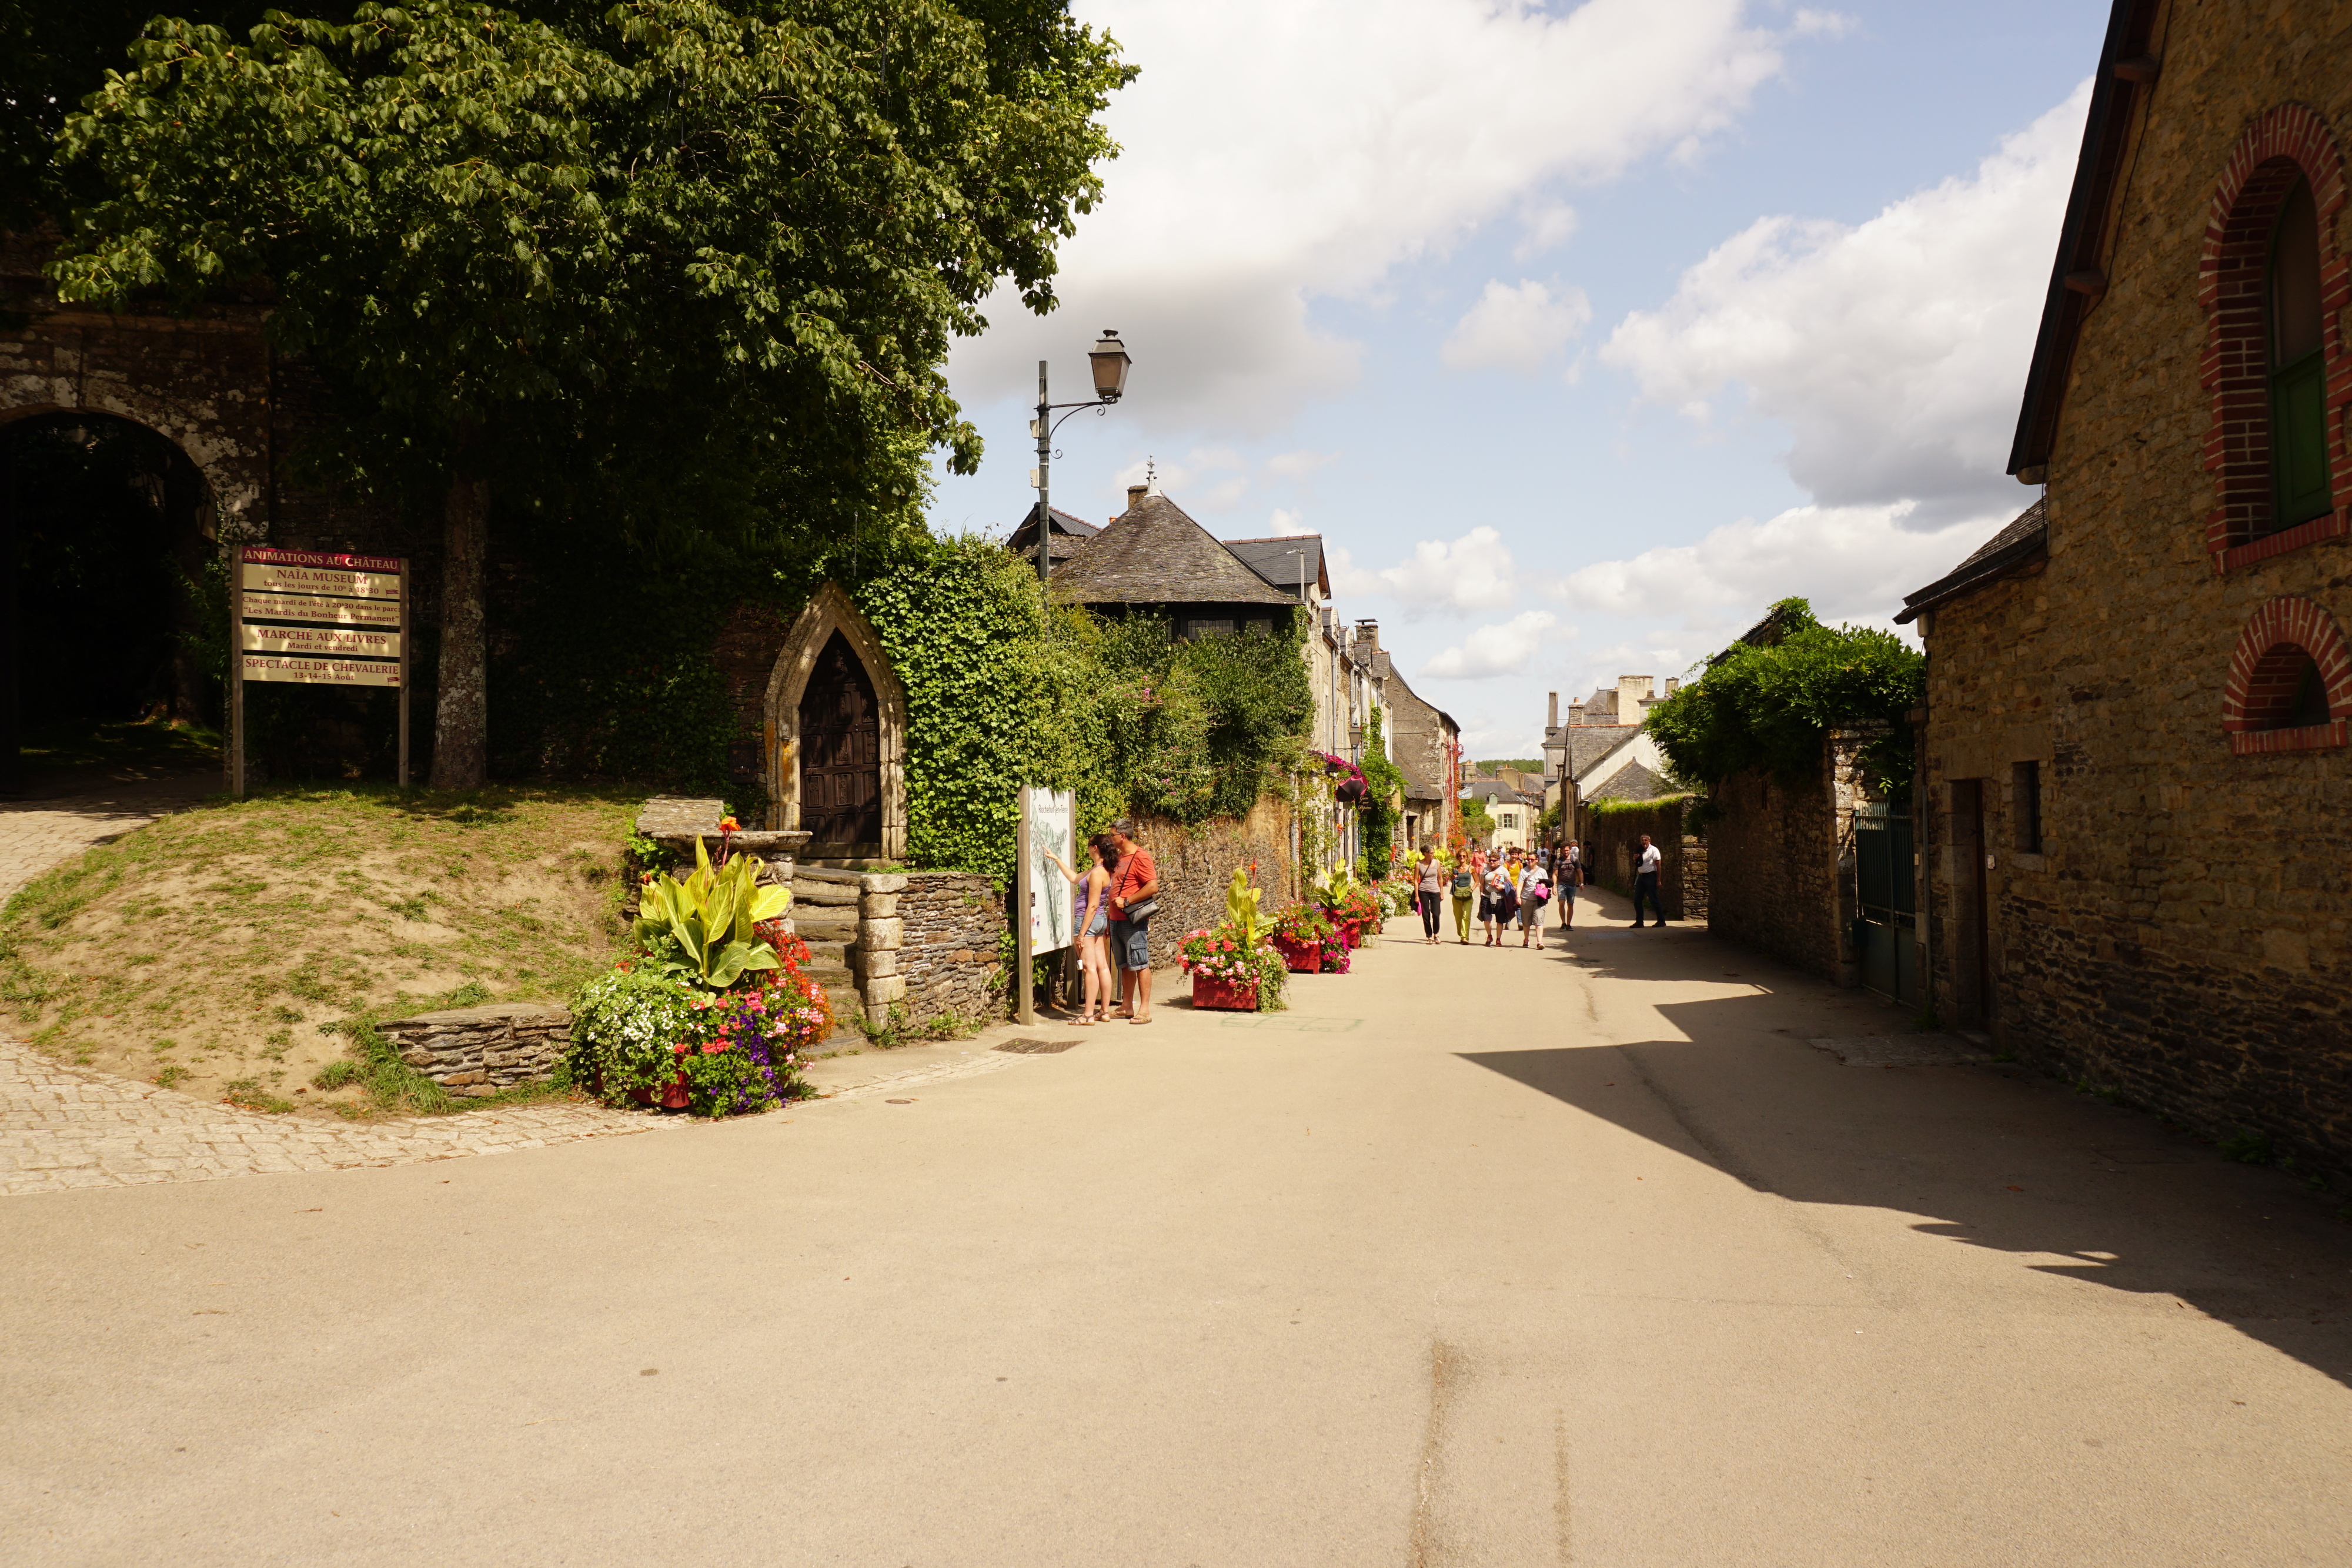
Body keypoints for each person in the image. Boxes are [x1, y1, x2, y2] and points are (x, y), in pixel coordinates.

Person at [1043, 834, 1115, 1024]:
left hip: (1087, 920)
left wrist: (1081, 934)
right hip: (1099, 921)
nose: (1087, 847)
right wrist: (1057, 859)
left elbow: (1091, 906)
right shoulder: (1102, 870)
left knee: (1089, 969)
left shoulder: (1098, 873)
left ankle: (1088, 1015)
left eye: (1089, 844)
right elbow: (1075, 878)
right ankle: (1105, 1012)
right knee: (1102, 967)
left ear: (1095, 848)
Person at [1105, 819, 1160, 1024]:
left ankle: (1144, 1010)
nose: (1110, 838)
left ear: (1123, 836)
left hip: (1132, 920)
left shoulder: (1141, 857)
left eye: (1112, 835)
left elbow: (1152, 887)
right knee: (1125, 965)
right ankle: (1126, 1006)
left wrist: (1127, 900)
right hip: (1116, 920)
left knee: (1140, 962)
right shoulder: (1120, 857)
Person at [1631, 833, 1665, 928]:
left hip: (1651, 876)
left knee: (1653, 899)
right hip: (1641, 877)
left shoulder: (1654, 850)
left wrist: (1658, 880)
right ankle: (1639, 922)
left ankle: (1661, 921)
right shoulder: (1640, 850)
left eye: (1646, 840)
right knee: (1637, 900)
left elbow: (1658, 865)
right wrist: (1634, 859)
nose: (1644, 842)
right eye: (1642, 840)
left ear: (1649, 841)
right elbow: (1639, 863)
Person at [1414, 847, 1445, 945]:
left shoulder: (1437, 863)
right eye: (1431, 853)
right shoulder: (1419, 864)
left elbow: (1440, 878)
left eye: (1433, 852)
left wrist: (1442, 892)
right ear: (1425, 853)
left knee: (1436, 914)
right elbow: (1415, 880)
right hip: (1423, 891)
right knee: (1426, 915)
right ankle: (1429, 936)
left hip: (1435, 891)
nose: (1433, 854)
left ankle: (1436, 934)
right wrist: (1417, 895)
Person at [1518, 855, 1547, 948]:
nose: (1529, 861)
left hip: (1539, 900)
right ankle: (1526, 940)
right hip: (1526, 899)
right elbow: (1520, 885)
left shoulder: (1542, 871)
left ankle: (1540, 942)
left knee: (1539, 920)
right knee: (1526, 922)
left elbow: (1548, 883)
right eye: (1528, 859)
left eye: (1532, 859)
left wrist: (1544, 885)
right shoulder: (1523, 871)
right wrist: (1518, 897)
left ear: (1537, 860)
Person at [1556, 840, 1583, 931]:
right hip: (1561, 884)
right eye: (1564, 850)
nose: (1566, 852)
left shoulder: (1574, 860)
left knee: (1570, 904)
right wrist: (1553, 887)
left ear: (1570, 850)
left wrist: (1582, 883)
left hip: (1572, 885)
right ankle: (1563, 923)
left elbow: (1580, 871)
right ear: (1561, 851)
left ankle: (1569, 924)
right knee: (1561, 903)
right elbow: (1554, 874)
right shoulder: (1558, 861)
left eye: (1567, 850)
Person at [1449, 853, 1476, 944]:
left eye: (1464, 856)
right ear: (1457, 857)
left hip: (1468, 895)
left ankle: (1465, 937)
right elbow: (1451, 880)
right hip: (1457, 895)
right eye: (1460, 856)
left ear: (1467, 857)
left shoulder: (1471, 868)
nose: (1462, 857)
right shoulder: (1455, 869)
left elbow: (1477, 881)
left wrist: (1472, 890)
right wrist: (1453, 877)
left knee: (1466, 916)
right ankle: (1461, 933)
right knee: (1458, 917)